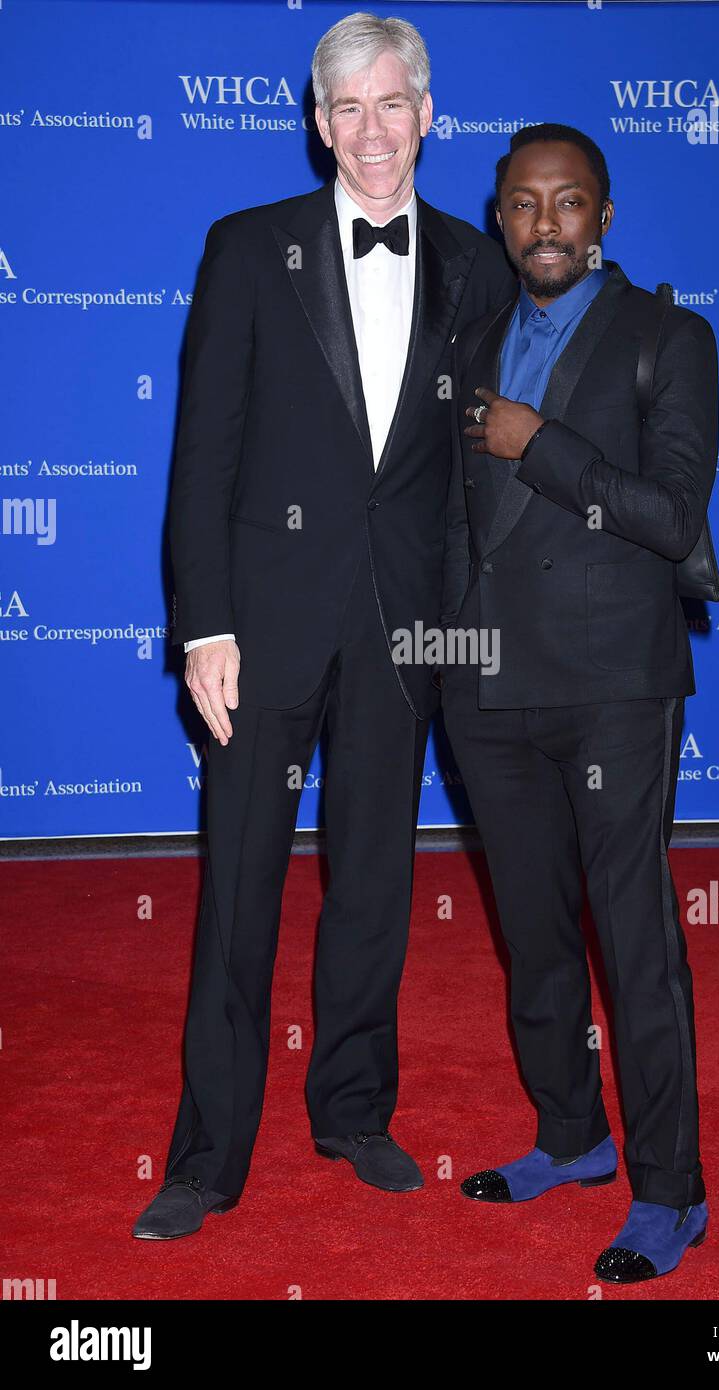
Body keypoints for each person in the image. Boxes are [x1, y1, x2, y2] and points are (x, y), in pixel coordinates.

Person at [133, 12, 513, 1241]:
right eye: (344, 107)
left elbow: (481, 467)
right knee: (238, 887)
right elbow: (204, 458)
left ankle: (353, 1107)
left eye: (391, 103)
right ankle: (206, 1155)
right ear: (316, 123)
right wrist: (205, 624)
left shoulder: (474, 263)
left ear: (428, 114)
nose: (370, 131)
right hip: (265, 629)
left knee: (376, 882)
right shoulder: (246, 250)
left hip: (405, 630)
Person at [441, 123, 718, 1283]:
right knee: (535, 937)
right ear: (499, 218)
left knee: (633, 941)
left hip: (613, 683)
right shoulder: (465, 338)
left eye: (567, 202)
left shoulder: (670, 335)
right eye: (521, 203)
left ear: (604, 216)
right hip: (486, 687)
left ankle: (671, 1191)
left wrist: (539, 444)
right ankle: (573, 1136)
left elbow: (667, 516)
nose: (544, 222)